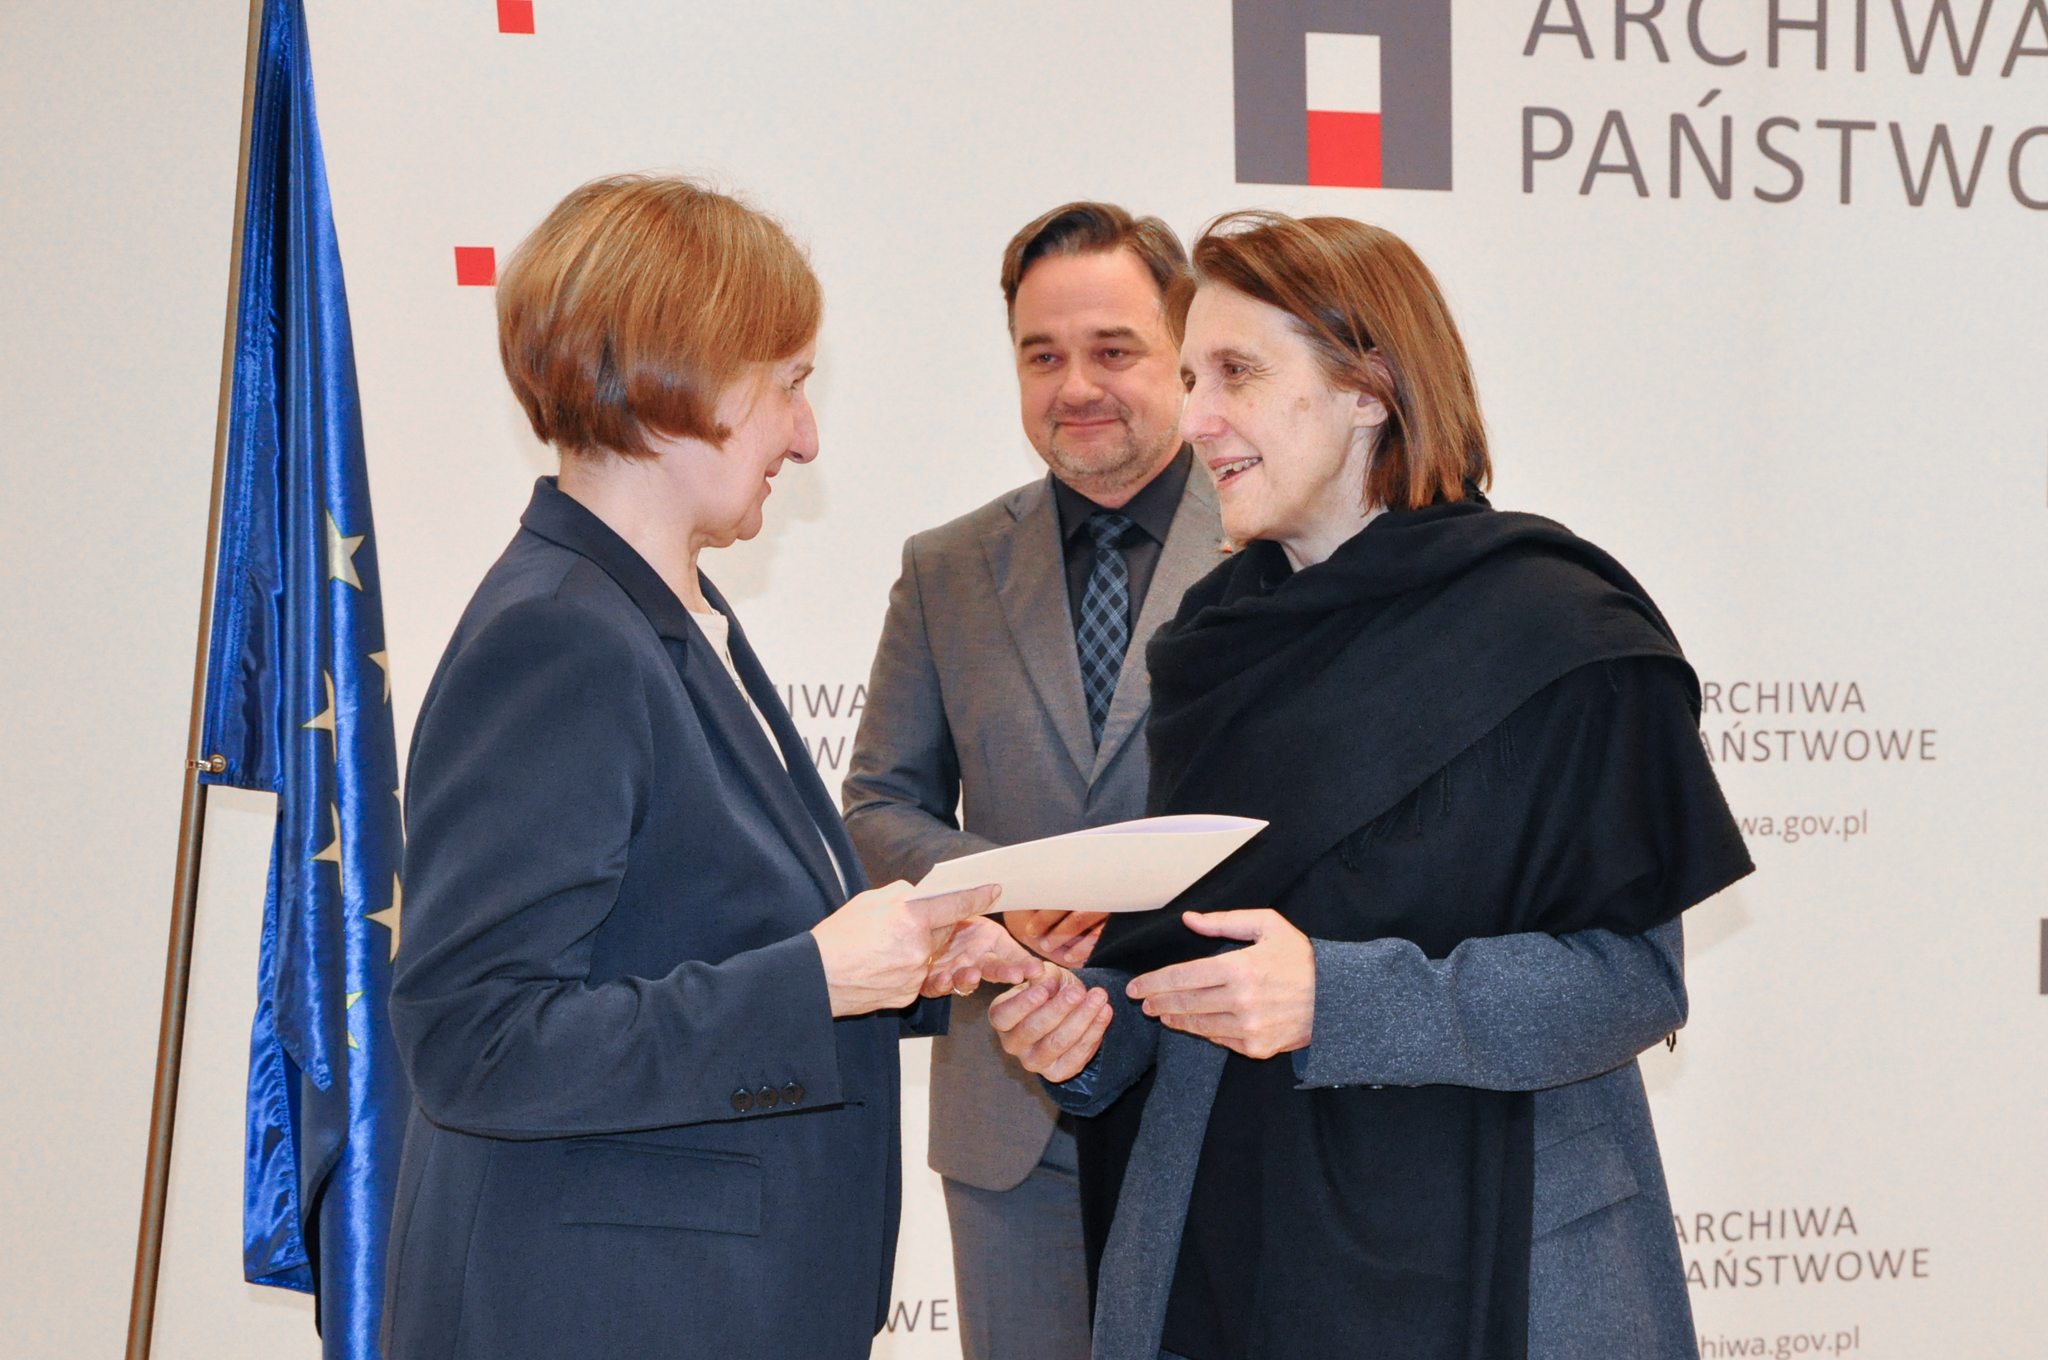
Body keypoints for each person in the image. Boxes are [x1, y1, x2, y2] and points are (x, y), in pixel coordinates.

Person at [989, 211, 1754, 1360]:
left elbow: (1627, 983)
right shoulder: (1211, 642)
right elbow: (1181, 971)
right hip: (1227, 1273)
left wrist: (1336, 1000)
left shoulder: (1556, 629)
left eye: (1237, 373)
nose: (1194, 420)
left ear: (1367, 388)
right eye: (1190, 377)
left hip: (1495, 1262)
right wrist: (1087, 1031)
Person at [382, 174, 1036, 1360]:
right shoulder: (561, 635)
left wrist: (907, 967)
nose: (806, 434)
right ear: (679, 377)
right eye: (787, 384)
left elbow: (686, 941)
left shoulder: (668, 613)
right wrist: (817, 977)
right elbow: (476, 1040)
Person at [843, 202, 1224, 1360]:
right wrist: (1004, 891)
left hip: (1216, 1087)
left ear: (1182, 352)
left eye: (1112, 350)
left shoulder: (1270, 542)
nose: (1076, 387)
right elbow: (878, 803)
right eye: (1041, 355)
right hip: (1013, 1123)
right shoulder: (945, 566)